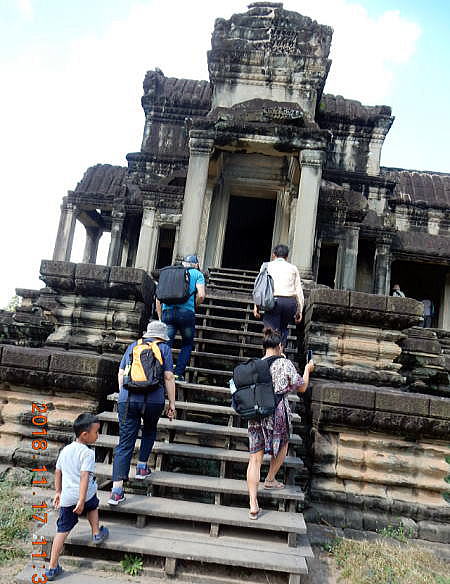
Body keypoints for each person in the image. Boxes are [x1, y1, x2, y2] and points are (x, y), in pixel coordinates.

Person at [246, 328, 314, 520]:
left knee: (255, 459)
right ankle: (270, 478)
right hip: (277, 413)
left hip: (256, 414)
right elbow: (302, 387)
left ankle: (253, 503)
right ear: (280, 346)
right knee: (283, 444)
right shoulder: (284, 364)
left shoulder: (255, 365)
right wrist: (307, 370)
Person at [108, 320, 176, 505]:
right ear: (162, 337)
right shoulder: (164, 348)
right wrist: (172, 403)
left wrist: (124, 395)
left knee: (125, 442)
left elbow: (121, 373)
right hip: (154, 399)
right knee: (149, 429)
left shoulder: (133, 346)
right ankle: (141, 467)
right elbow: (168, 376)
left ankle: (116, 491)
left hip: (128, 398)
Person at [45, 413, 108, 581]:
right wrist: (81, 500)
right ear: (85, 435)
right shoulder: (87, 453)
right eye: (96, 432)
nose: (98, 435)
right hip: (84, 495)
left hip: (67, 497)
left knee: (62, 530)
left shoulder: (65, 450)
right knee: (92, 505)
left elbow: (57, 471)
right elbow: (84, 476)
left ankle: (52, 567)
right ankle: (96, 533)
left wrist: (58, 492)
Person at [156, 254, 206, 382]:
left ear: (183, 264)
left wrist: (160, 317)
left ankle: (163, 373)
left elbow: (158, 297)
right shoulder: (197, 274)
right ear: (196, 265)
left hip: (168, 313)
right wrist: (194, 305)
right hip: (186, 313)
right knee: (187, 344)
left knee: (166, 344)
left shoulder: (170, 273)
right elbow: (201, 295)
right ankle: (178, 374)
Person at [253, 244, 304, 349]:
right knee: (283, 329)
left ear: (273, 255)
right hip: (290, 303)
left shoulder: (267, 266)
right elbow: (299, 291)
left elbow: (259, 287)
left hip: (273, 301)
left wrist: (256, 306)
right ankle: (281, 352)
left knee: (271, 332)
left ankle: (271, 355)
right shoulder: (293, 268)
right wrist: (300, 310)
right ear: (287, 256)